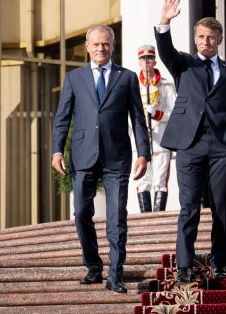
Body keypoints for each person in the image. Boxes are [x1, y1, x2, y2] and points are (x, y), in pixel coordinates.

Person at [155, 0, 226, 283]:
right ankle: (184, 265)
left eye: (210, 37)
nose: (205, 41)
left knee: (222, 208)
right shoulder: (184, 64)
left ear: (218, 39)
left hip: (223, 145)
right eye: (200, 36)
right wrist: (164, 22)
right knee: (189, 207)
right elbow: (165, 51)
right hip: (190, 144)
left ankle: (220, 263)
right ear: (195, 39)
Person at [51, 25, 151, 294]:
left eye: (105, 44)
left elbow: (138, 119)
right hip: (83, 156)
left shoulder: (127, 78)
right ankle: (93, 265)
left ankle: (115, 275)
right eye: (95, 44)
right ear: (87, 46)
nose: (100, 49)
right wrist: (57, 150)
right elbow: (62, 118)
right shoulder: (74, 78)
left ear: (113, 45)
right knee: (82, 213)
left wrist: (143, 153)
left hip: (117, 157)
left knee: (117, 217)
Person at [135, 44, 177, 212]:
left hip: (160, 138)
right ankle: (145, 220)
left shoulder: (166, 85)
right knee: (142, 180)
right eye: (143, 58)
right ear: (139, 62)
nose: (147, 61)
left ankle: (158, 217)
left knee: (160, 180)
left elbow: (174, 113)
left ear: (155, 60)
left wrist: (158, 114)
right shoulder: (132, 85)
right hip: (139, 141)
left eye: (150, 58)